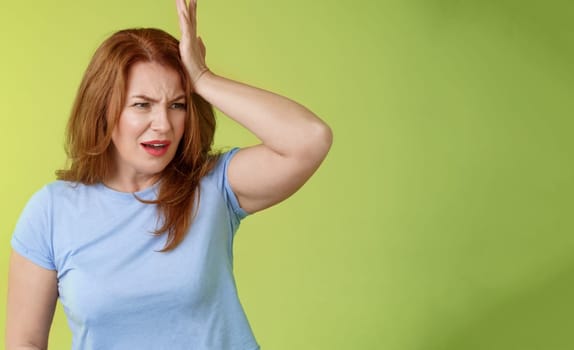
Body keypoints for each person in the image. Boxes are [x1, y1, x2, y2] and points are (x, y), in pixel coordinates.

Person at [5, 0, 332, 348]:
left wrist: (204, 79)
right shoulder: (52, 211)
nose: (163, 125)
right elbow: (24, 341)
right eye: (142, 105)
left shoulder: (213, 187)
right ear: (103, 110)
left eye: (177, 105)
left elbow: (309, 139)